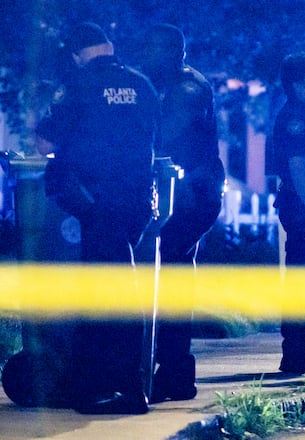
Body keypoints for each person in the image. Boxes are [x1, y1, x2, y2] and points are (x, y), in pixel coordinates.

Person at [35, 22, 156, 414]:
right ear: (108, 46)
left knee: (107, 295)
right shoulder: (142, 84)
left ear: (76, 53)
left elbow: (46, 142)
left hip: (96, 203)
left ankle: (117, 389)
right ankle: (110, 385)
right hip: (136, 203)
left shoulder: (77, 86)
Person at [139, 23, 225, 403]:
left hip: (191, 197)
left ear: (175, 52)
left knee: (171, 278)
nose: (147, 56)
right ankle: (171, 370)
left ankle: (174, 372)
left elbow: (165, 136)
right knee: (171, 276)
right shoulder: (173, 84)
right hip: (188, 195)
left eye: (154, 49)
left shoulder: (187, 89)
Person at [270, 52, 305, 374]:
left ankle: (300, 350)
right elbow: (298, 165)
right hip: (301, 207)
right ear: (297, 85)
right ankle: (293, 353)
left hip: (303, 206)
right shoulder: (295, 117)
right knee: (301, 283)